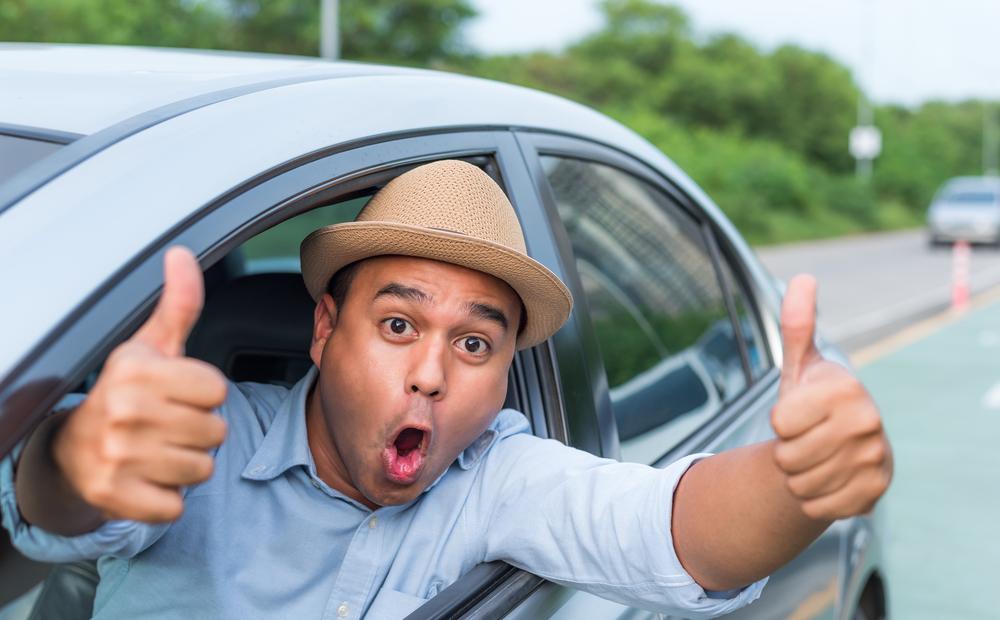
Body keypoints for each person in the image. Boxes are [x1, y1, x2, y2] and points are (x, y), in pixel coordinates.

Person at [1, 160, 892, 620]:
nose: (431, 372)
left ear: (506, 374)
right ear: (323, 330)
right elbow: (61, 501)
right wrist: (77, 452)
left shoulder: (498, 476)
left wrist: (795, 479)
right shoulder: (207, 438)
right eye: (398, 325)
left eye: (474, 342)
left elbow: (675, 526)